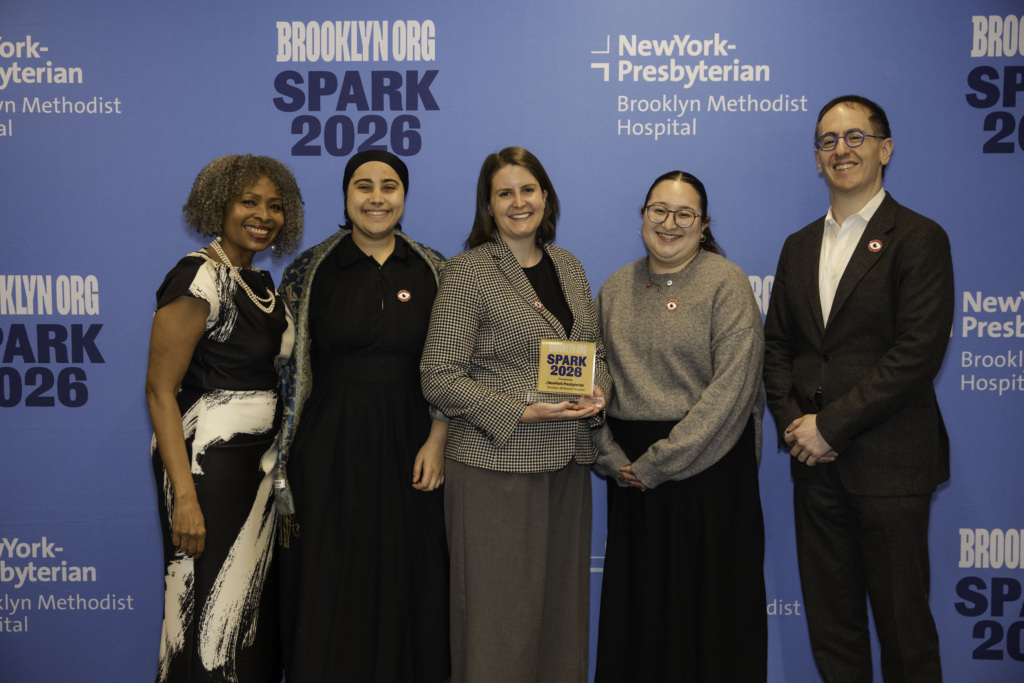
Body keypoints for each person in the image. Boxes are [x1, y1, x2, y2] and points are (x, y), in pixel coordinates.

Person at [763, 95, 954, 682]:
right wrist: (797, 427)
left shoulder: (919, 238)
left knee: (904, 632)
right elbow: (777, 349)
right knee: (833, 629)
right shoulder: (797, 246)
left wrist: (829, 427)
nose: (840, 150)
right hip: (814, 471)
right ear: (816, 159)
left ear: (884, 149)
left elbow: (916, 355)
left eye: (854, 137)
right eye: (827, 141)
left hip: (891, 468)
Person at [420, 146, 610, 683]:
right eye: (505, 193)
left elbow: (593, 354)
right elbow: (438, 375)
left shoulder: (569, 267)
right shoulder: (468, 273)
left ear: (545, 197)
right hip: (494, 466)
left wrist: (599, 397)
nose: (518, 202)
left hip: (567, 465)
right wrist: (519, 411)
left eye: (528, 190)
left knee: (560, 620)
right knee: (497, 624)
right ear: (488, 206)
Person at [274, 150, 450, 683]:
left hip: (414, 441)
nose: (377, 198)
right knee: (331, 569)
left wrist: (438, 439)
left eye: (390, 186)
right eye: (364, 187)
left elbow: (452, 362)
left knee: (409, 569)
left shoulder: (435, 269)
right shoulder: (310, 269)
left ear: (404, 196)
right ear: (347, 196)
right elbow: (285, 368)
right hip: (329, 441)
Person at [592, 170, 767, 682]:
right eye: (658, 211)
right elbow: (592, 382)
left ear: (704, 225)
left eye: (684, 214)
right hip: (631, 475)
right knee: (640, 620)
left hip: (707, 475)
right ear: (643, 216)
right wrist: (610, 455)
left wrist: (658, 463)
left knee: (709, 621)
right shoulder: (614, 288)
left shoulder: (725, 282)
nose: (669, 224)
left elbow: (733, 393)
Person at [146, 154, 304, 683]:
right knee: (202, 606)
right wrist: (184, 496)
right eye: (249, 201)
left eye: (275, 206)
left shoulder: (262, 282)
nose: (263, 215)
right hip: (205, 469)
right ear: (220, 205)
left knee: (244, 611)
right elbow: (160, 391)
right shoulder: (197, 276)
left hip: (255, 471)